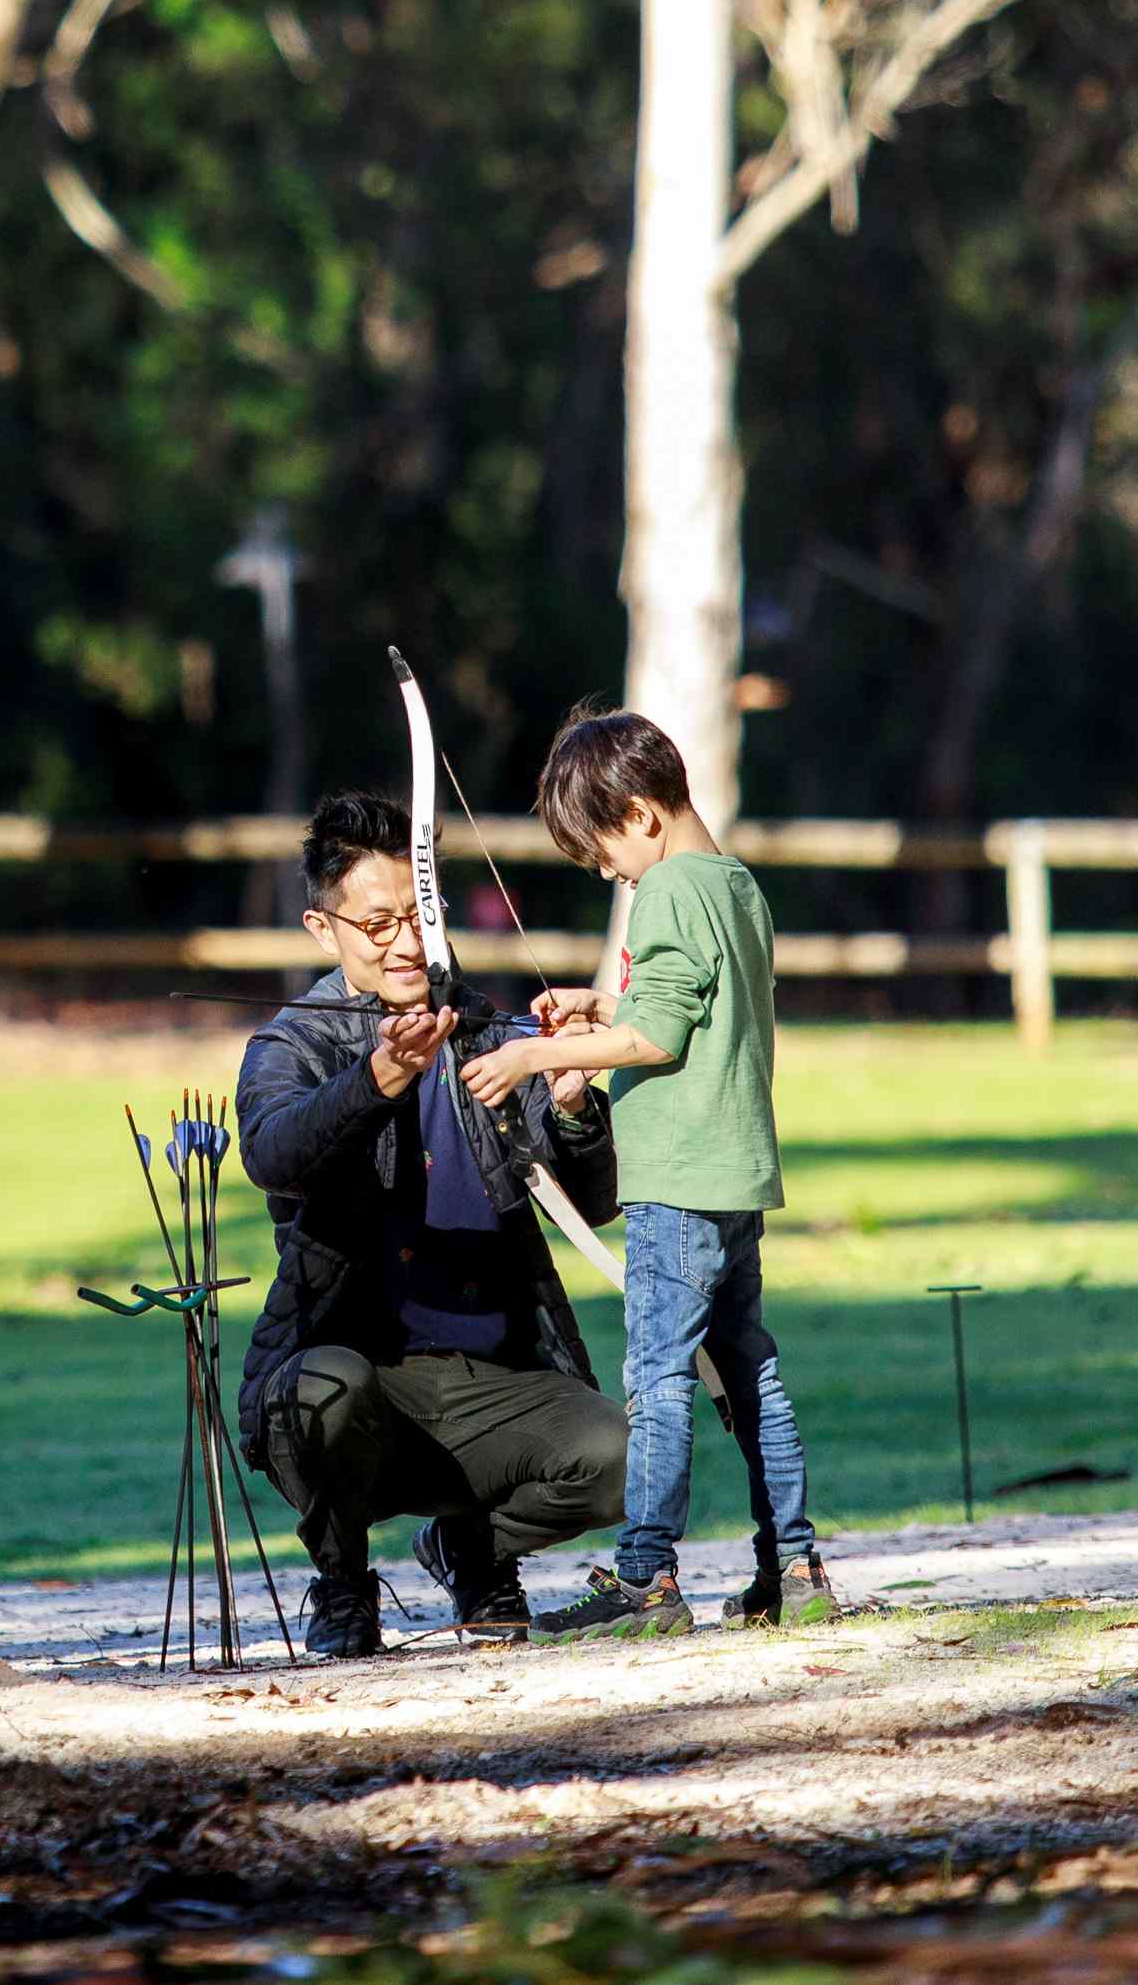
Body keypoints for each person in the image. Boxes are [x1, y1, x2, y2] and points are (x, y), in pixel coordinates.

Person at [234, 793, 630, 1659]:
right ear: (321, 926)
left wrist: (569, 1100)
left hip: (491, 1373)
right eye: (378, 924)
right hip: (359, 1373)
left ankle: (473, 1549)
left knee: (619, 1452)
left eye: (421, 913)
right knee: (317, 1393)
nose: (408, 942)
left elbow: (591, 1199)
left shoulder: (485, 1024)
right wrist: (376, 1077)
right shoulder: (291, 1044)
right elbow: (273, 1152)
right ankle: (341, 1583)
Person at [502, 705, 831, 1639]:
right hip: (733, 1175)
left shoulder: (667, 888)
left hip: (678, 1181)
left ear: (642, 813)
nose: (608, 870)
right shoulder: (733, 882)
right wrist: (597, 1001)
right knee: (748, 1370)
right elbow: (690, 1001)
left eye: (604, 849)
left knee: (657, 1377)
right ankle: (795, 1564)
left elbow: (658, 1033)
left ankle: (645, 1576)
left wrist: (533, 1060)